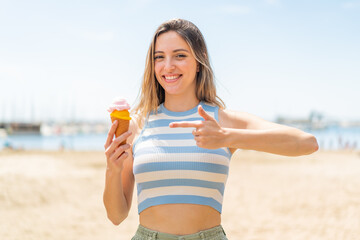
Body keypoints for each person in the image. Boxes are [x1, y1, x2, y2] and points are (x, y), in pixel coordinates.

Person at [103, 18, 319, 240]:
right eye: (159, 57)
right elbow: (116, 215)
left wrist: (227, 137)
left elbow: (307, 143)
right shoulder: (137, 126)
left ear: (199, 61)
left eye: (180, 55)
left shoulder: (222, 122)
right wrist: (113, 170)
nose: (168, 66)